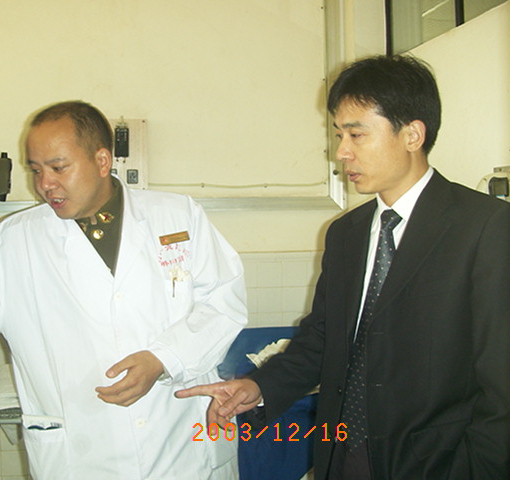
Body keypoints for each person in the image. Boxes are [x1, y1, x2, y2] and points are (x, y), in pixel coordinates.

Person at [0, 101, 247, 479]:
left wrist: (164, 359)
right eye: (36, 170)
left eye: (58, 167)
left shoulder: (178, 217)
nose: (44, 184)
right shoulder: (10, 246)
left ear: (102, 161)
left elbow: (224, 304)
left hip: (182, 443)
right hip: (85, 456)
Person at [176, 54, 510, 479]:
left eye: (357, 134)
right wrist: (259, 387)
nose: (342, 152)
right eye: (339, 134)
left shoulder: (484, 228)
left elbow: (502, 381)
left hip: (437, 463)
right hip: (343, 454)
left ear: (412, 134)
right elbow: (323, 338)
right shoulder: (346, 234)